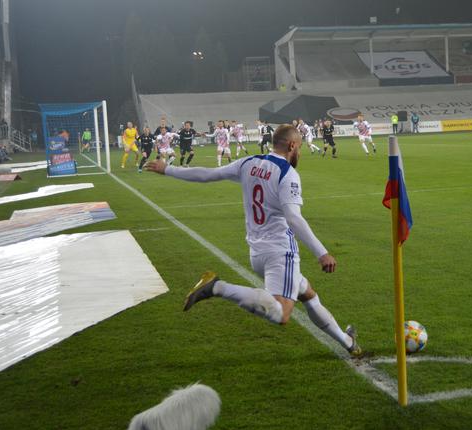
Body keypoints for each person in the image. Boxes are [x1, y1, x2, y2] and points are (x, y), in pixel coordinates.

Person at [145, 124, 362, 356]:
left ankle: (348, 343)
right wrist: (322, 253)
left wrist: (168, 170)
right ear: (292, 145)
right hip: (281, 252)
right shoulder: (287, 173)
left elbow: (207, 174)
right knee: (282, 313)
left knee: (308, 293)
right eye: (298, 147)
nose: (298, 152)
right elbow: (293, 218)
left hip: (257, 253)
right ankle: (217, 287)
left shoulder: (248, 163)